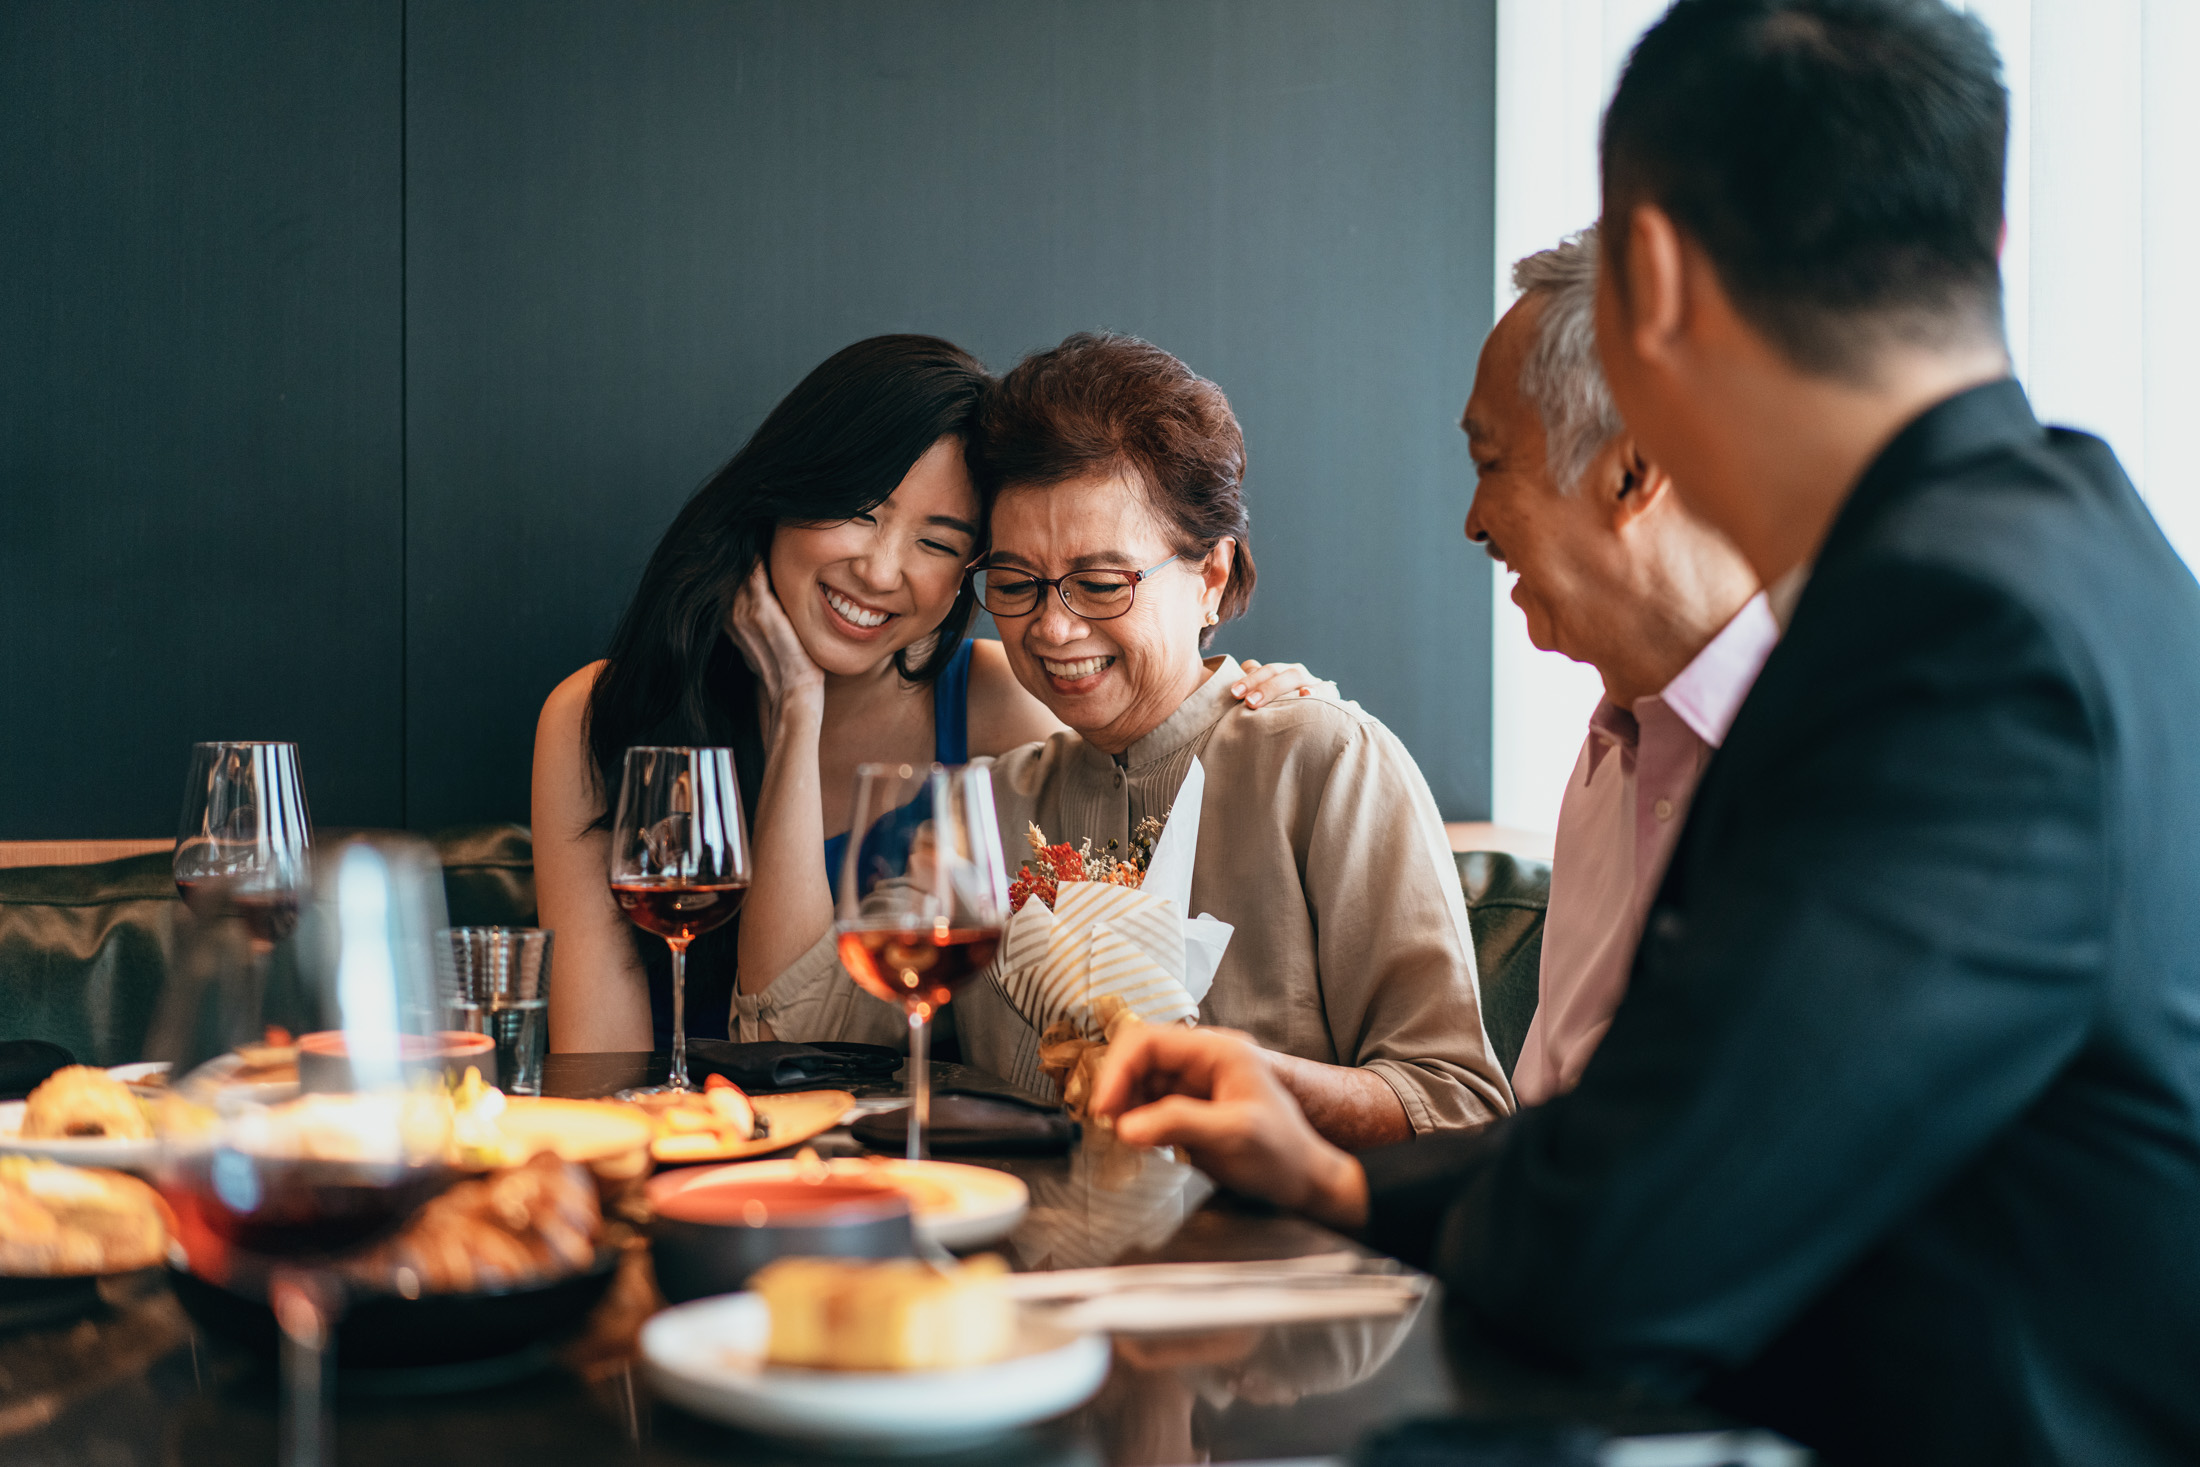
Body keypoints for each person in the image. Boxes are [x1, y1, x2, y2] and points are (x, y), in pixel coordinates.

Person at [1089, 2, 2200, 1461]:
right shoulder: (2095, 543)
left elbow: (1636, 1245)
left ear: (1655, 278)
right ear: (1986, 237)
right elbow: (1693, 1123)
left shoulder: (1947, 635)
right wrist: (1340, 1177)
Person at [748, 332, 1514, 1147]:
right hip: (1029, 1262)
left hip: (1269, 1260)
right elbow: (781, 1036)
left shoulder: (1324, 766)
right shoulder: (1000, 802)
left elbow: (1458, 1101)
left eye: (1101, 584)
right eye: (1014, 585)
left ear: (1210, 575)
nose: (1052, 626)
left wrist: (1235, 1073)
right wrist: (802, 700)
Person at [534, 335, 1323, 1053]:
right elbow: (600, 1065)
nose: (881, 571)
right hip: (687, 1150)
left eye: (937, 542)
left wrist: (1249, 699)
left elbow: (1150, 819)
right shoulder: (598, 714)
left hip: (932, 1164)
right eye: (857, 512)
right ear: (781, 495)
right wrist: (793, 708)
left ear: (966, 580)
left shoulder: (1005, 704)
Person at [1462, 229, 1772, 1104]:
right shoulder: (1608, 756)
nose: (1474, 522)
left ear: (1634, 469)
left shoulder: (1826, 744)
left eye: (1491, 463)